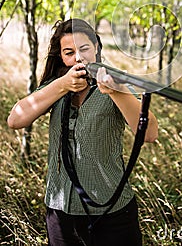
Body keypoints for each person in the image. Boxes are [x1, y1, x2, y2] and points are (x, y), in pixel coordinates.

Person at [7, 18, 158, 246]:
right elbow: (16, 119)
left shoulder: (115, 80)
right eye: (69, 52)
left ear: (96, 48)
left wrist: (116, 92)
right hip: (60, 211)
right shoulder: (57, 84)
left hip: (112, 211)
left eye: (84, 49)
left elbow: (149, 133)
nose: (78, 57)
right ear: (62, 57)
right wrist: (62, 85)